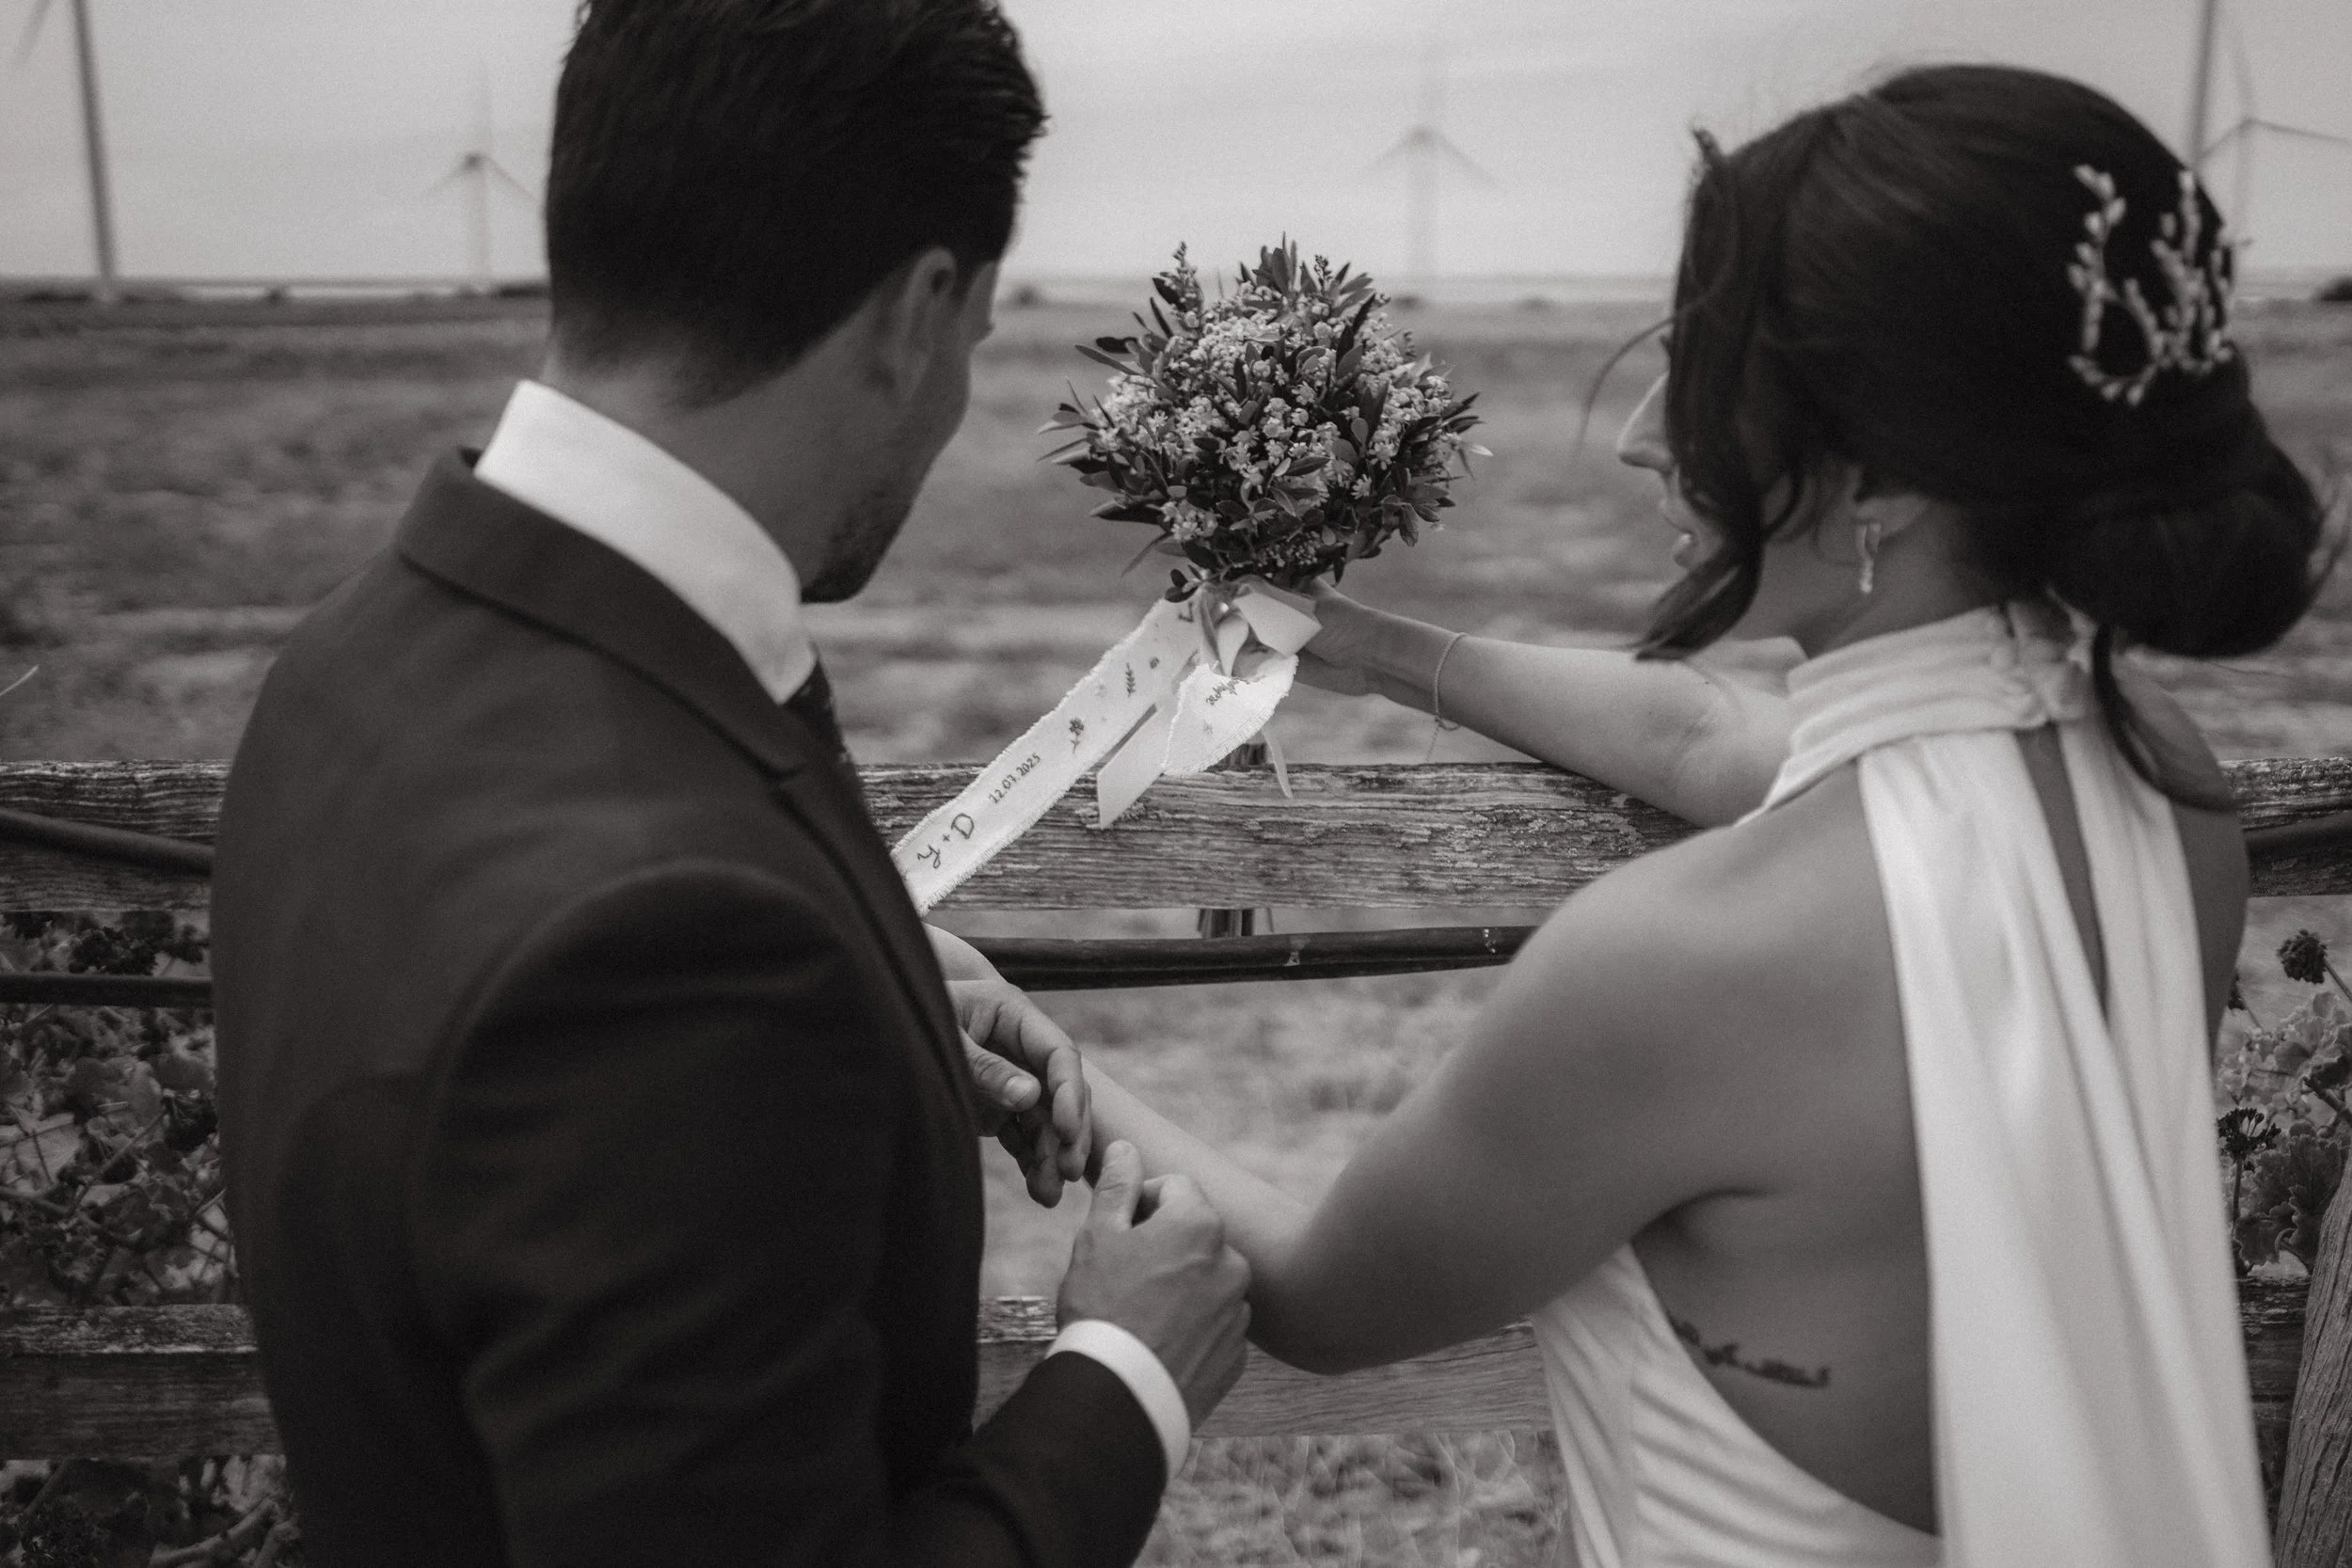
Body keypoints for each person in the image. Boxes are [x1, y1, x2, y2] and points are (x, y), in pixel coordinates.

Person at [1072, 65, 2329, 1567]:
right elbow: (1711, 729)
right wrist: (1370, 643)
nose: (1647, 435)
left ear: (1877, 481)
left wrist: (1031, 1051)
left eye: (1713, 370)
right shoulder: (2158, 786)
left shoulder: (1683, 966)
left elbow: (1324, 1295)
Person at [209, 4, 1249, 1565]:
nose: (958, 393)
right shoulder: (673, 954)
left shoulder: (352, 658)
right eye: (974, 340)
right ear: (916, 313)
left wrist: (881, 1021)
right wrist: (1123, 1377)